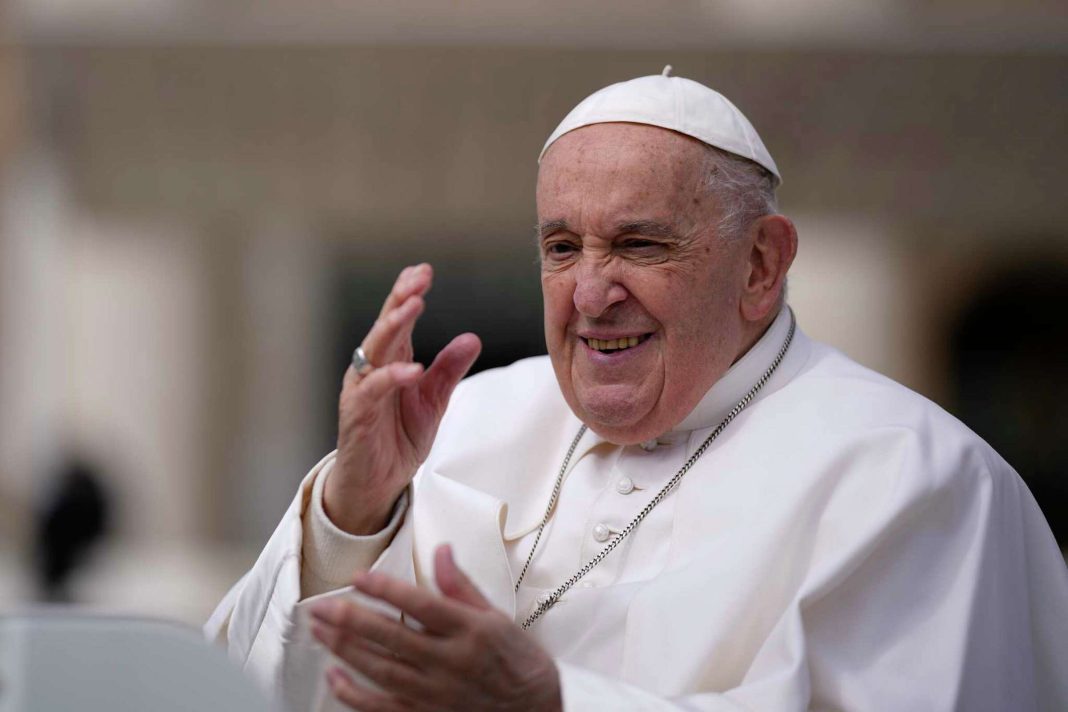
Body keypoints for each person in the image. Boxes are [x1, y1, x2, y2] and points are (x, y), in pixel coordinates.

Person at [206, 69, 1068, 711]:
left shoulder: (919, 476)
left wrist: (554, 704)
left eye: (639, 245)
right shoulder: (465, 420)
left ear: (760, 264)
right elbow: (228, 687)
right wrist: (353, 513)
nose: (590, 294)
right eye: (561, 248)